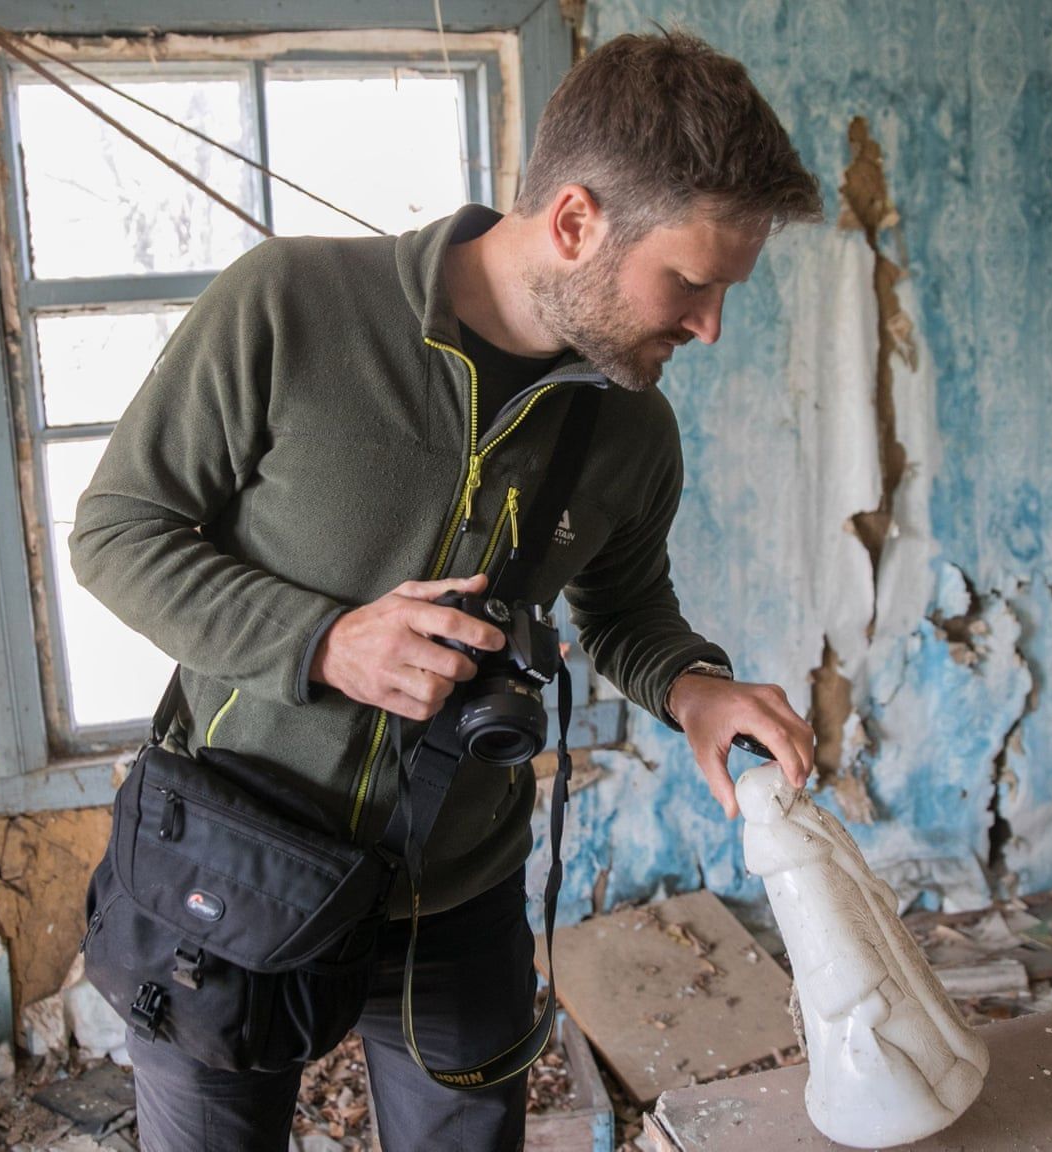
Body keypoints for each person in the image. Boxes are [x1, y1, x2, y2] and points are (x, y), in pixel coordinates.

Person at [71, 29, 824, 1152]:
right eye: (692, 283)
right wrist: (324, 643)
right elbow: (116, 534)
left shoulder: (635, 431)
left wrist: (696, 688)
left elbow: (624, 616)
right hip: (228, 864)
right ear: (575, 222)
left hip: (456, 900)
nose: (709, 327)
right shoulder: (288, 306)